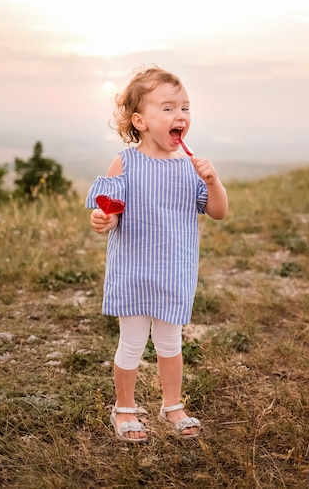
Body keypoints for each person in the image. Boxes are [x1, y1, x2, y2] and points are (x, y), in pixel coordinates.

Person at [85, 66, 228, 442]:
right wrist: (104, 220)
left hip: (174, 272)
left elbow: (218, 211)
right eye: (167, 108)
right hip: (134, 271)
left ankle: (172, 405)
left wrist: (213, 182)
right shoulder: (126, 164)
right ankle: (125, 409)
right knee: (131, 343)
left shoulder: (190, 169)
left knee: (170, 343)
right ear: (140, 121)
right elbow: (112, 213)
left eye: (185, 108)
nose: (179, 115)